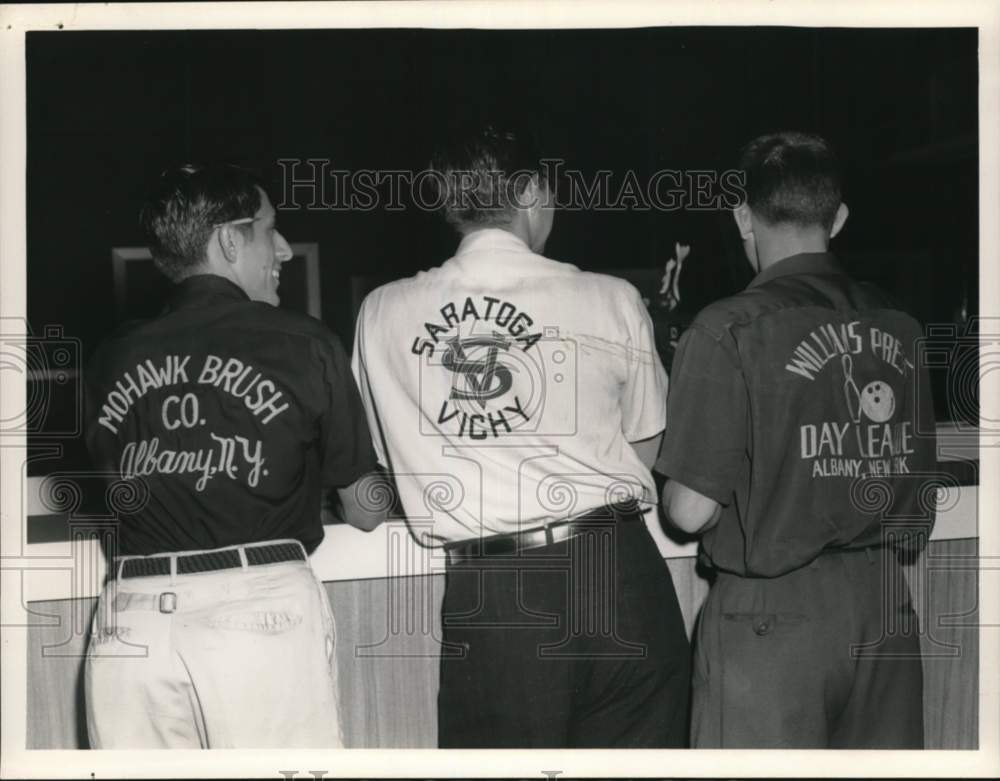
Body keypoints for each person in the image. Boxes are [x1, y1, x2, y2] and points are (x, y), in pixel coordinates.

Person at [351, 125, 690, 748]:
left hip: (496, 590)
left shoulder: (382, 312)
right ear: (531, 191)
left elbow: (382, 463)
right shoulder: (610, 297)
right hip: (621, 569)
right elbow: (647, 446)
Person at [83, 164, 386, 748]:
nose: (284, 249)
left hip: (131, 622)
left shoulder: (108, 358)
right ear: (228, 240)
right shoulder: (303, 342)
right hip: (256, 615)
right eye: (270, 229)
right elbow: (366, 509)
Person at [656, 131, 936, 748]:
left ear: (743, 217)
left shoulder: (728, 328)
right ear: (838, 218)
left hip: (774, 618)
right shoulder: (901, 326)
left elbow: (690, 510)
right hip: (884, 604)